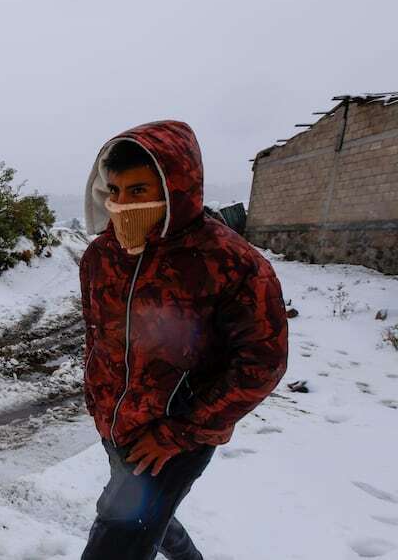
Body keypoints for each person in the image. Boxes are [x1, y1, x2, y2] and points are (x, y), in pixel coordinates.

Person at [78, 120, 289, 560]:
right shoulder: (100, 257)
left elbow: (261, 363)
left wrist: (179, 432)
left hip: (174, 438)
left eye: (138, 191)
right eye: (114, 191)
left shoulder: (231, 263)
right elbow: (97, 338)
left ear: (177, 187)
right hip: (115, 428)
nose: (121, 205)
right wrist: (100, 402)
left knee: (116, 539)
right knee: (149, 515)